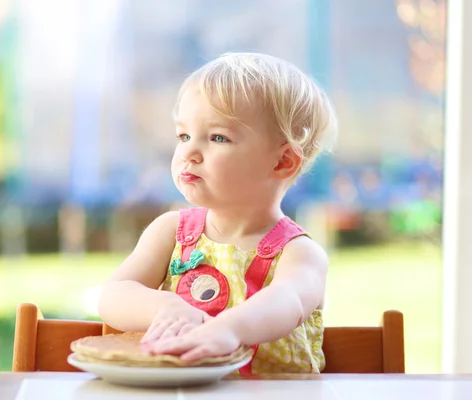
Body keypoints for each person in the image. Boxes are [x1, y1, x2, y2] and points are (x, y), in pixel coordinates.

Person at [98, 52, 338, 374]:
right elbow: (112, 297)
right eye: (183, 136)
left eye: (217, 137)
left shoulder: (299, 253)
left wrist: (229, 329)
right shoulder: (171, 232)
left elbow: (288, 302)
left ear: (282, 162)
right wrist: (165, 306)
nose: (189, 152)